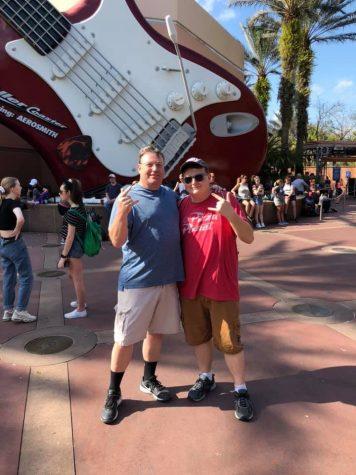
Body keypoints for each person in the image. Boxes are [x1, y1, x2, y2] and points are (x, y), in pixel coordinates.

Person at [100, 145, 184, 425]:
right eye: (149, 164)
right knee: (124, 341)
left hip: (167, 280)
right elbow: (115, 240)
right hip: (136, 282)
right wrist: (121, 213)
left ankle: (148, 380)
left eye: (159, 164)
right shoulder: (127, 197)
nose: (155, 169)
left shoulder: (171, 196)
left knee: (156, 334)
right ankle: (114, 392)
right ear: (138, 168)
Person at [179, 157, 255, 422]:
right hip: (190, 288)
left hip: (221, 286)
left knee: (230, 342)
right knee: (199, 338)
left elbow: (248, 237)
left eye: (199, 176)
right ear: (182, 183)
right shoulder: (181, 206)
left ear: (209, 177)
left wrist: (230, 214)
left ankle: (240, 389)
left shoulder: (227, 201)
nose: (194, 183)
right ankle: (205, 377)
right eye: (188, 179)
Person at [0, 177, 36, 323]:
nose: (21, 187)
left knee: (8, 277)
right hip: (15, 245)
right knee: (26, 277)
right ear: (13, 188)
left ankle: (8, 310)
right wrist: (16, 230)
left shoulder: (2, 203)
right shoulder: (13, 203)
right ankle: (20, 310)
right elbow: (20, 219)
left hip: (2, 244)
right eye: (19, 185)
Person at [57, 179, 87, 319]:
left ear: (68, 193)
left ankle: (81, 309)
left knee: (77, 279)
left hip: (73, 248)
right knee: (73, 276)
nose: (60, 194)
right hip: (77, 246)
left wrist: (63, 257)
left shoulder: (72, 212)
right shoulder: (79, 206)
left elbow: (70, 237)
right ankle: (81, 301)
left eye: (62, 192)